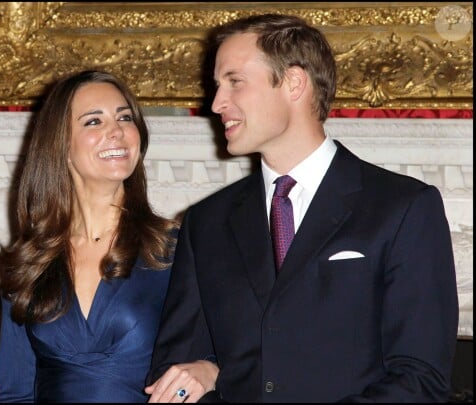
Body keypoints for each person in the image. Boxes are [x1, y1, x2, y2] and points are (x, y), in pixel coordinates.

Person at [146, 14, 459, 403]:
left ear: (294, 83)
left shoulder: (404, 208)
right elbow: (174, 368)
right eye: (217, 86)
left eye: (235, 82)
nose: (216, 103)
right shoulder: (206, 222)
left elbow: (420, 379)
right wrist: (205, 372)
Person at [0, 70, 178, 402]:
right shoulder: (28, 263)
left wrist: (206, 373)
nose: (117, 131)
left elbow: (225, 358)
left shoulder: (175, 250)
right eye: (94, 122)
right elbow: (13, 393)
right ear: (61, 145)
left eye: (125, 118)